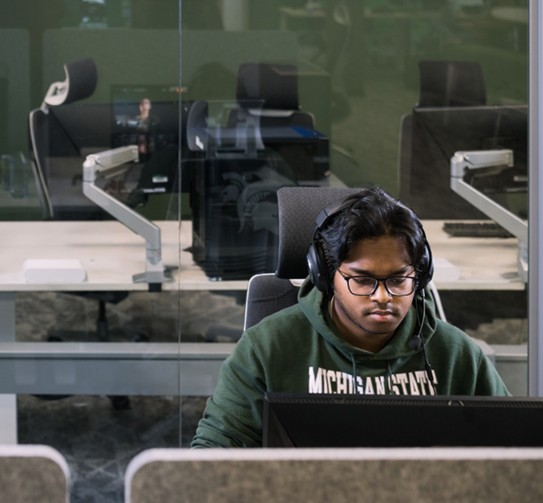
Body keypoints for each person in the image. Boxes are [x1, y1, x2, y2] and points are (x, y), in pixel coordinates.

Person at [192, 186, 509, 449]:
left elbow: (516, 451)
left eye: (398, 280)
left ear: (420, 275)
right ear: (326, 277)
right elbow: (212, 454)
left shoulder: (457, 355)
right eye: (363, 280)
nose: (382, 297)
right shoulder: (267, 348)